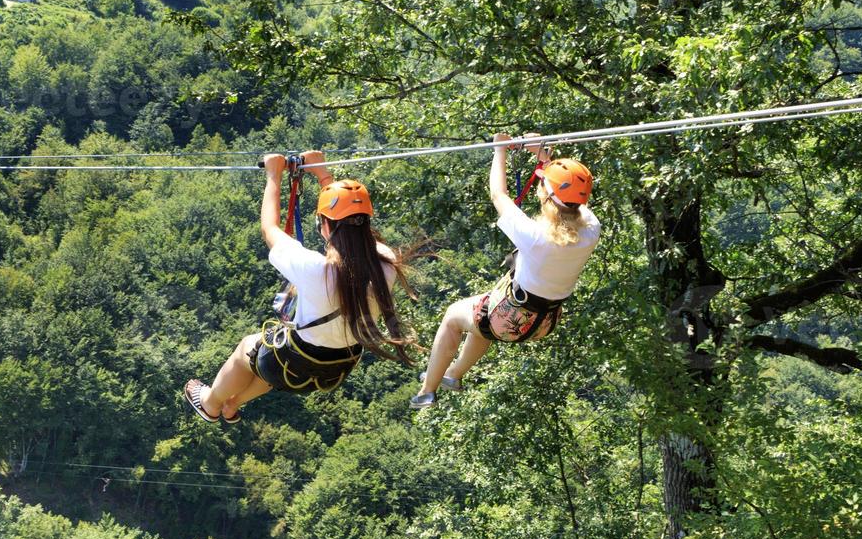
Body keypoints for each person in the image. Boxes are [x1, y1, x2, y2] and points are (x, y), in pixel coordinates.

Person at [184, 150, 415, 423]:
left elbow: (270, 229)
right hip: (335, 370)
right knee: (277, 349)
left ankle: (211, 403)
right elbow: (354, 228)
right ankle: (233, 404)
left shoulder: (315, 270)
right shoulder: (385, 264)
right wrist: (323, 174)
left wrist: (274, 176)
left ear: (325, 225)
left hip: (289, 366)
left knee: (252, 347)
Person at [411, 132, 599, 408]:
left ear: (546, 195)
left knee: (454, 316)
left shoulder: (535, 236)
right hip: (543, 322)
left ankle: (427, 390)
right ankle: (453, 374)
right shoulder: (591, 230)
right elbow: (570, 196)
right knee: (479, 321)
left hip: (509, 318)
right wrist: (541, 155)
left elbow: (498, 194)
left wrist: (500, 150)